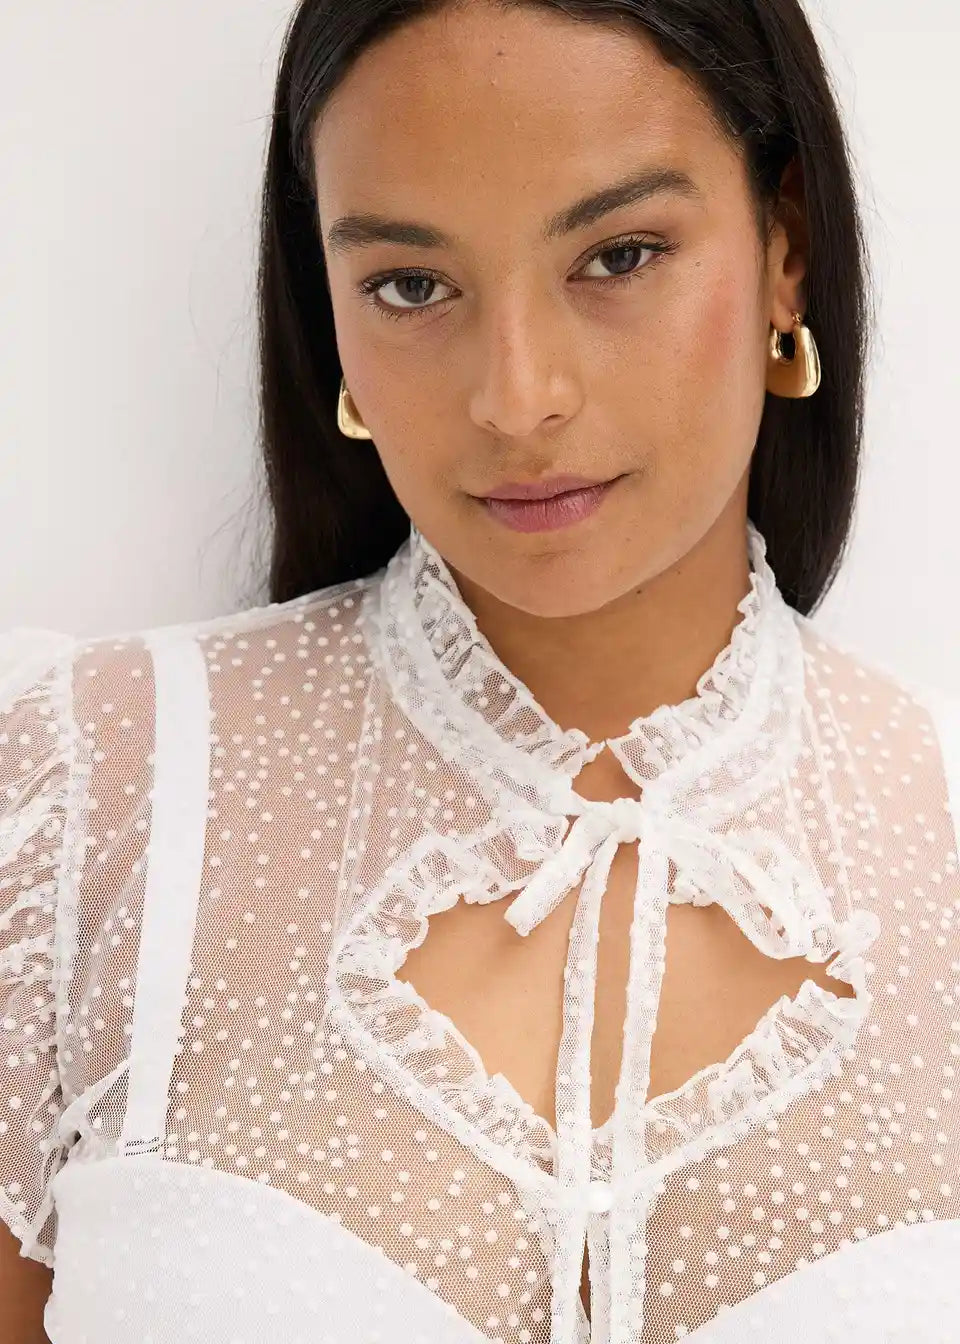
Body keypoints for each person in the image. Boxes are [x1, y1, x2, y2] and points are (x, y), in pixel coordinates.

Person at [2, 1, 959, 1341]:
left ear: (785, 248)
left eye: (619, 255)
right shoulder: (83, 791)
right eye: (411, 285)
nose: (517, 398)